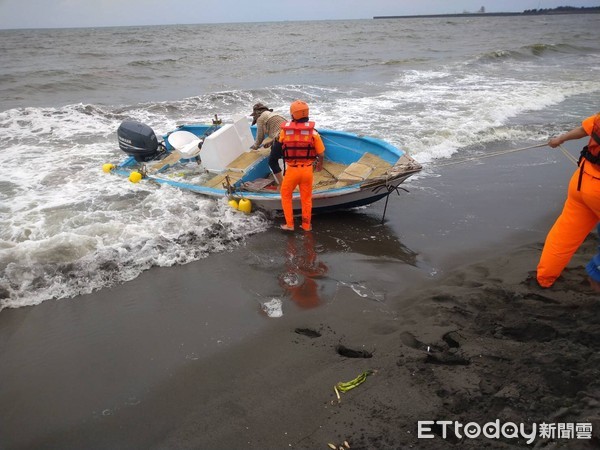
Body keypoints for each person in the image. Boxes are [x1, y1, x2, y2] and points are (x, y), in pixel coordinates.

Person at [537, 112, 600, 288]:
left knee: (565, 232)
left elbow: (583, 129)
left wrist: (560, 139)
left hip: (581, 182)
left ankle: (545, 277)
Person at [277, 100, 325, 232]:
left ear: (293, 115)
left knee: (286, 195)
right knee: (306, 198)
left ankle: (289, 224)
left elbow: (280, 142)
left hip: (292, 171)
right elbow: (321, 153)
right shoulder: (313, 133)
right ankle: (306, 225)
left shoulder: (285, 132)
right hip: (307, 170)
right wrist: (319, 165)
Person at [249, 102, 287, 185]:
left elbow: (260, 136)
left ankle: (282, 185)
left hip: (281, 138)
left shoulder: (261, 118)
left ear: (256, 113)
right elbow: (279, 129)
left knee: (272, 161)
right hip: (290, 135)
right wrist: (271, 142)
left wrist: (255, 147)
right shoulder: (273, 114)